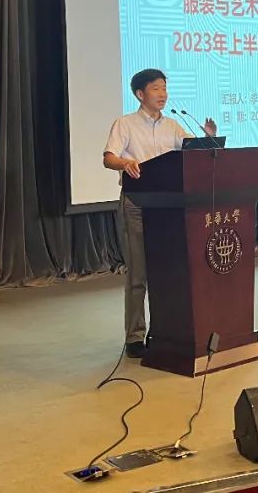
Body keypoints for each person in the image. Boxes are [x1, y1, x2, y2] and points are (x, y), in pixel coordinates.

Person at [102, 68, 217, 358]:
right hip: (137, 204)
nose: (163, 94)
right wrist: (125, 163)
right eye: (155, 88)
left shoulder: (173, 125)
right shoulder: (125, 124)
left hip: (169, 206)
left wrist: (208, 140)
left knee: (169, 272)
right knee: (138, 273)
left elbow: (191, 153)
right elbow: (109, 158)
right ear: (140, 94)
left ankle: (167, 330)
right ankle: (135, 337)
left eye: (164, 88)